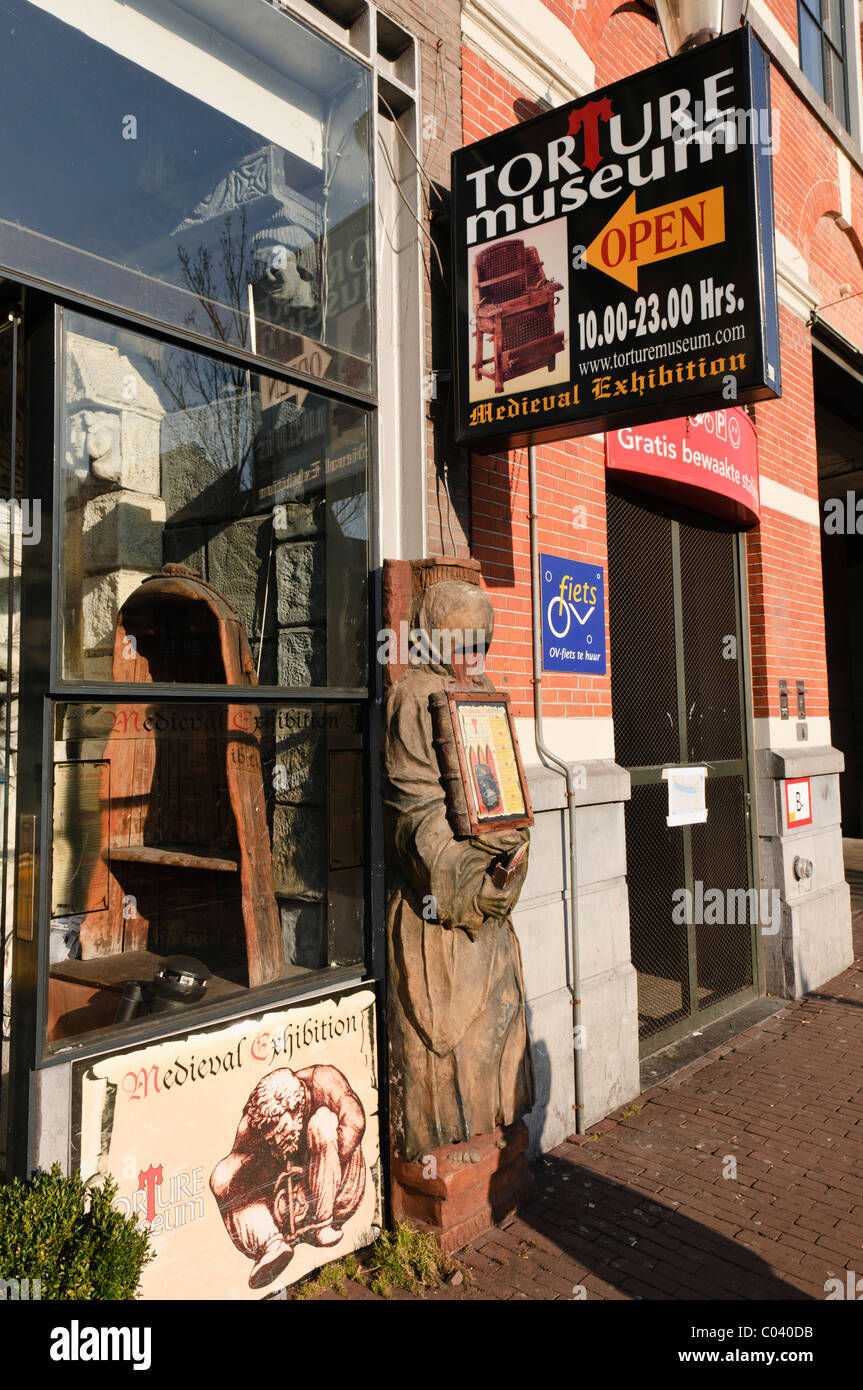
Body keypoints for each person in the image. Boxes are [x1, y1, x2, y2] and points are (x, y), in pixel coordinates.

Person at [383, 577, 534, 1162]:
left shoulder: (485, 695)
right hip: (438, 920)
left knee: (497, 1044)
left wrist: (513, 856)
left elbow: (507, 797)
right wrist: (475, 884)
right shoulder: (411, 699)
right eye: (462, 639)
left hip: (493, 926)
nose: (474, 655)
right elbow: (414, 813)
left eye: (483, 641)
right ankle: (442, 1163)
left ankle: (499, 1147)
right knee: (441, 1063)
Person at [210, 1064, 366, 1289]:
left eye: (279, 1131)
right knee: (222, 1177)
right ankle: (271, 1244)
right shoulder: (254, 1121)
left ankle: (323, 1225)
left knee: (321, 1123)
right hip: (289, 1208)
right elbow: (232, 1168)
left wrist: (315, 1175)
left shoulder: (323, 1080)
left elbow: (355, 1123)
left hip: (340, 1191)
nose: (274, 1142)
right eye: (269, 1137)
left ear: (294, 1107)